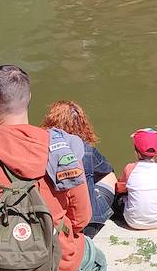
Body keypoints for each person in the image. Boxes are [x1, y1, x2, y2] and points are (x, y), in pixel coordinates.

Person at [0, 65, 105, 271]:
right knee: (97, 258)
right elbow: (81, 218)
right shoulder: (59, 147)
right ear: (29, 97)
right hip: (56, 266)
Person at [40, 99, 116, 233]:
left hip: (55, 222)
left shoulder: (42, 149)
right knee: (109, 176)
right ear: (82, 123)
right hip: (89, 224)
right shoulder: (87, 149)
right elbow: (107, 170)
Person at [116, 129, 157, 230]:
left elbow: (120, 189)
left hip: (132, 222)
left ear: (136, 152)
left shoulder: (129, 168)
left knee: (121, 195)